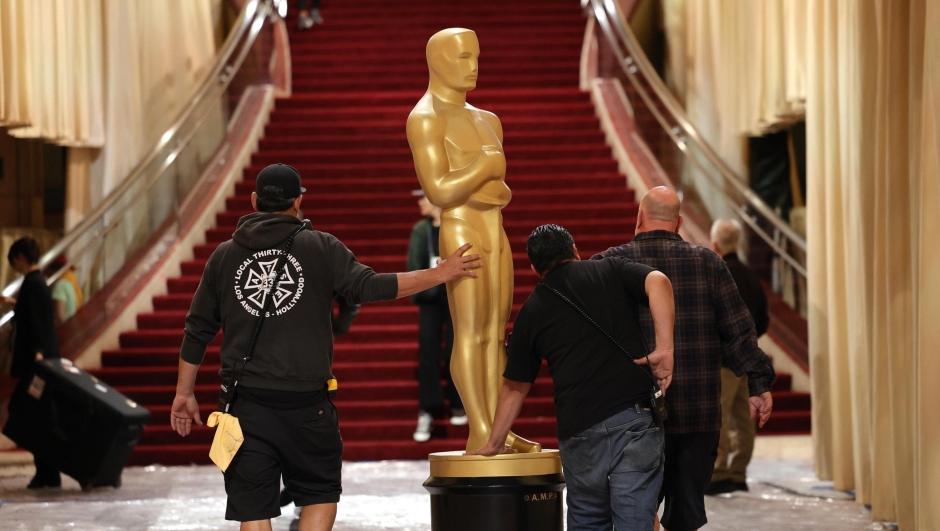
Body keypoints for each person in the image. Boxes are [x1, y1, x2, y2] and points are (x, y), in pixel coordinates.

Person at [169, 164, 482, 531]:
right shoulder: (321, 247)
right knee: (319, 494)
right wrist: (440, 274)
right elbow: (372, 286)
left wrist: (183, 392)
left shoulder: (224, 256)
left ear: (254, 200)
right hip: (308, 406)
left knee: (253, 507)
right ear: (298, 201)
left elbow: (197, 329)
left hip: (245, 406)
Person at [469, 224, 676, 531]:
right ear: (575, 250)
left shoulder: (532, 311)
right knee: (635, 520)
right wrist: (665, 348)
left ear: (534, 268)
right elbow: (658, 281)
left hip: (579, 431)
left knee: (588, 520)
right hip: (632, 419)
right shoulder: (610, 269)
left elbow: (515, 388)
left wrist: (494, 443)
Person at [594, 187, 776, 531]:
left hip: (633, 416)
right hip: (698, 414)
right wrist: (758, 382)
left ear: (639, 217)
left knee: (634, 513)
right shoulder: (710, 263)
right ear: (679, 222)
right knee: (685, 516)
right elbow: (739, 331)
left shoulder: (609, 264)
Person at [705, 219, 770, 495]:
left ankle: (719, 473)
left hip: (723, 360)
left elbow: (713, 319)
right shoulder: (750, 275)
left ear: (715, 244)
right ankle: (738, 471)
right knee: (743, 418)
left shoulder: (719, 274)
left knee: (720, 416)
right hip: (747, 359)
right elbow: (763, 320)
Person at [1, 237, 62, 489]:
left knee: (35, 417)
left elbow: (36, 323)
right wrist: (13, 303)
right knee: (39, 417)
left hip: (36, 364)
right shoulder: (37, 284)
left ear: (20, 258)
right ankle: (47, 472)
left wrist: (37, 354)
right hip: (41, 362)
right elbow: (34, 313)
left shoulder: (32, 283)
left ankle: (46, 473)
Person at [407, 190, 466, 443]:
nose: (420, 201)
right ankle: (428, 409)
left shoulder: (456, 225)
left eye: (423, 197)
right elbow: (413, 264)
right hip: (429, 299)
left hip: (456, 295)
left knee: (456, 349)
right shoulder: (421, 229)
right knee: (428, 352)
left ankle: (458, 402)